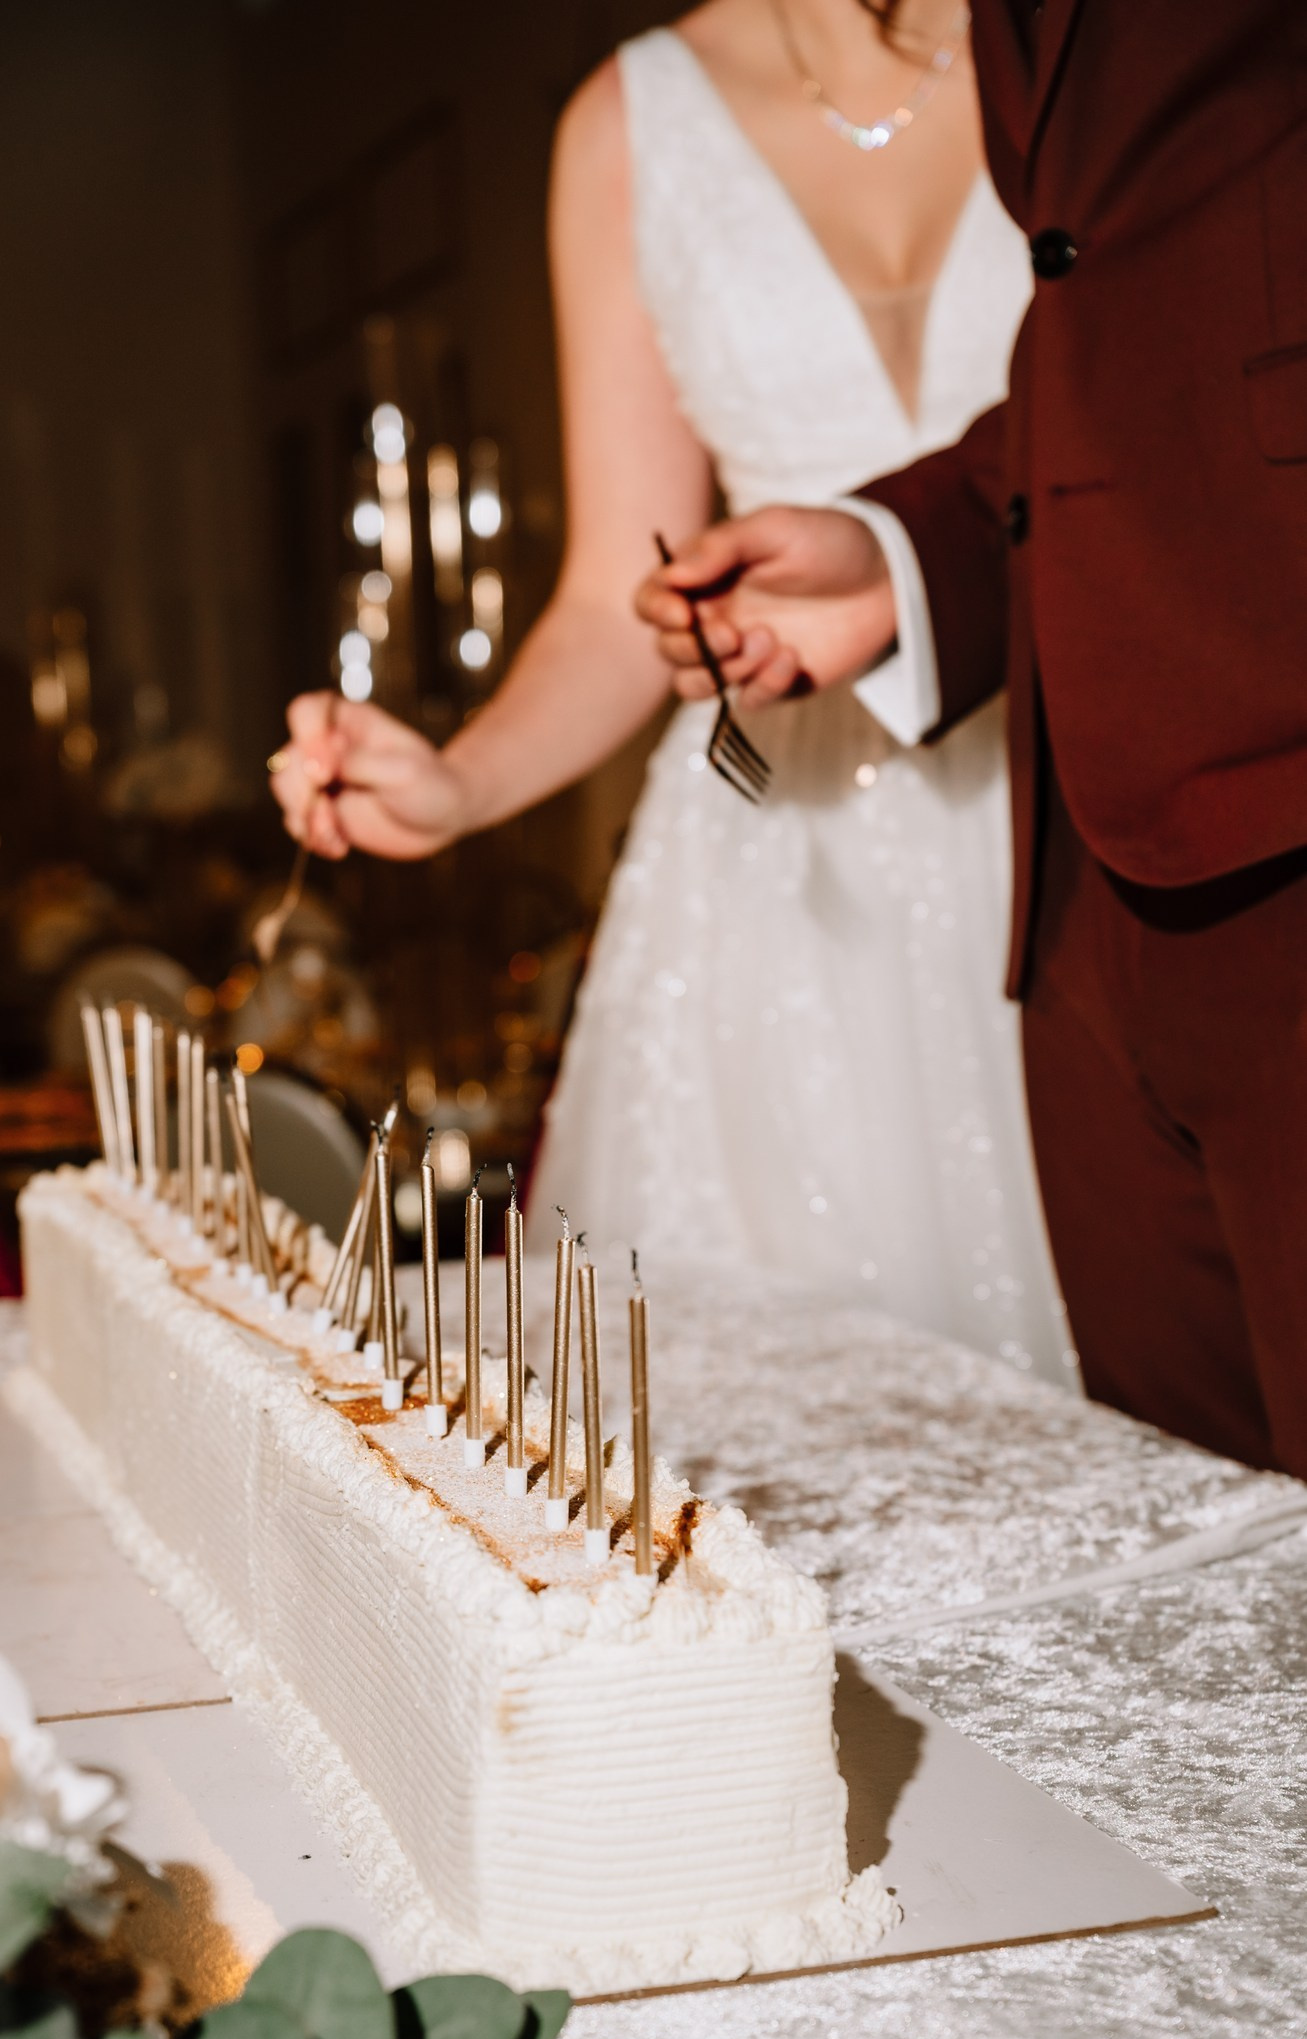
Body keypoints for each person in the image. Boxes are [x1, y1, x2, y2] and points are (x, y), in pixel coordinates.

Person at [271, 0, 1071, 1382]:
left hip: (1069, 805)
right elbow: (609, 597)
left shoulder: (1089, 48)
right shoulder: (627, 120)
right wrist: (460, 781)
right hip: (772, 870)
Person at [633, 0, 1307, 1476]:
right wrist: (904, 557)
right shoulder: (637, 110)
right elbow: (1133, 303)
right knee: (1201, 1616)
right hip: (1074, 870)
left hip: (1270, 793)